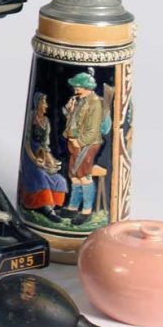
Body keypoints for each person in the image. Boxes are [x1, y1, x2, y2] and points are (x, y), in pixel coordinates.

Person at [59, 71, 104, 226]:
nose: (75, 89)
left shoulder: (95, 103)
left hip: (86, 144)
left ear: (86, 87)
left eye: (78, 86)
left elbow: (93, 128)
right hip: (73, 143)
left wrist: (81, 141)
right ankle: (72, 207)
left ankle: (86, 211)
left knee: (84, 176)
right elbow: (74, 121)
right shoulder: (79, 100)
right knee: (74, 175)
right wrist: (70, 111)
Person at [19, 92, 68, 223]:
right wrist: (34, 159)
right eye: (44, 102)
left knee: (59, 180)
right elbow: (26, 142)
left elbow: (45, 145)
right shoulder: (31, 117)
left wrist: (51, 161)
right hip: (29, 155)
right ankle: (46, 210)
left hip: (41, 154)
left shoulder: (46, 121)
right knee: (39, 176)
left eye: (46, 102)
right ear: (38, 103)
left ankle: (51, 206)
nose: (46, 105)